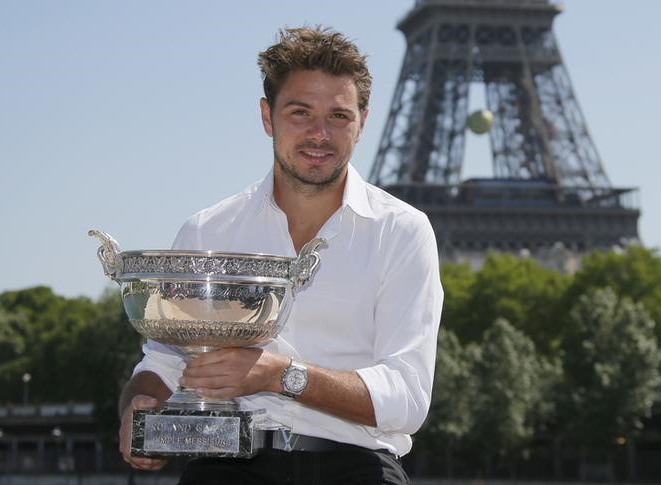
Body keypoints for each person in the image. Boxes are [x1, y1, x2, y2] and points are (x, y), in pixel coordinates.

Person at [117, 26, 443, 484]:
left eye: (339, 116)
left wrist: (281, 375)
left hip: (356, 466)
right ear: (267, 117)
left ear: (363, 122)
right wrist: (140, 407)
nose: (319, 133)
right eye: (300, 112)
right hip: (224, 465)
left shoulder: (402, 231)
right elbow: (163, 362)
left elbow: (407, 397)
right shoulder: (207, 230)